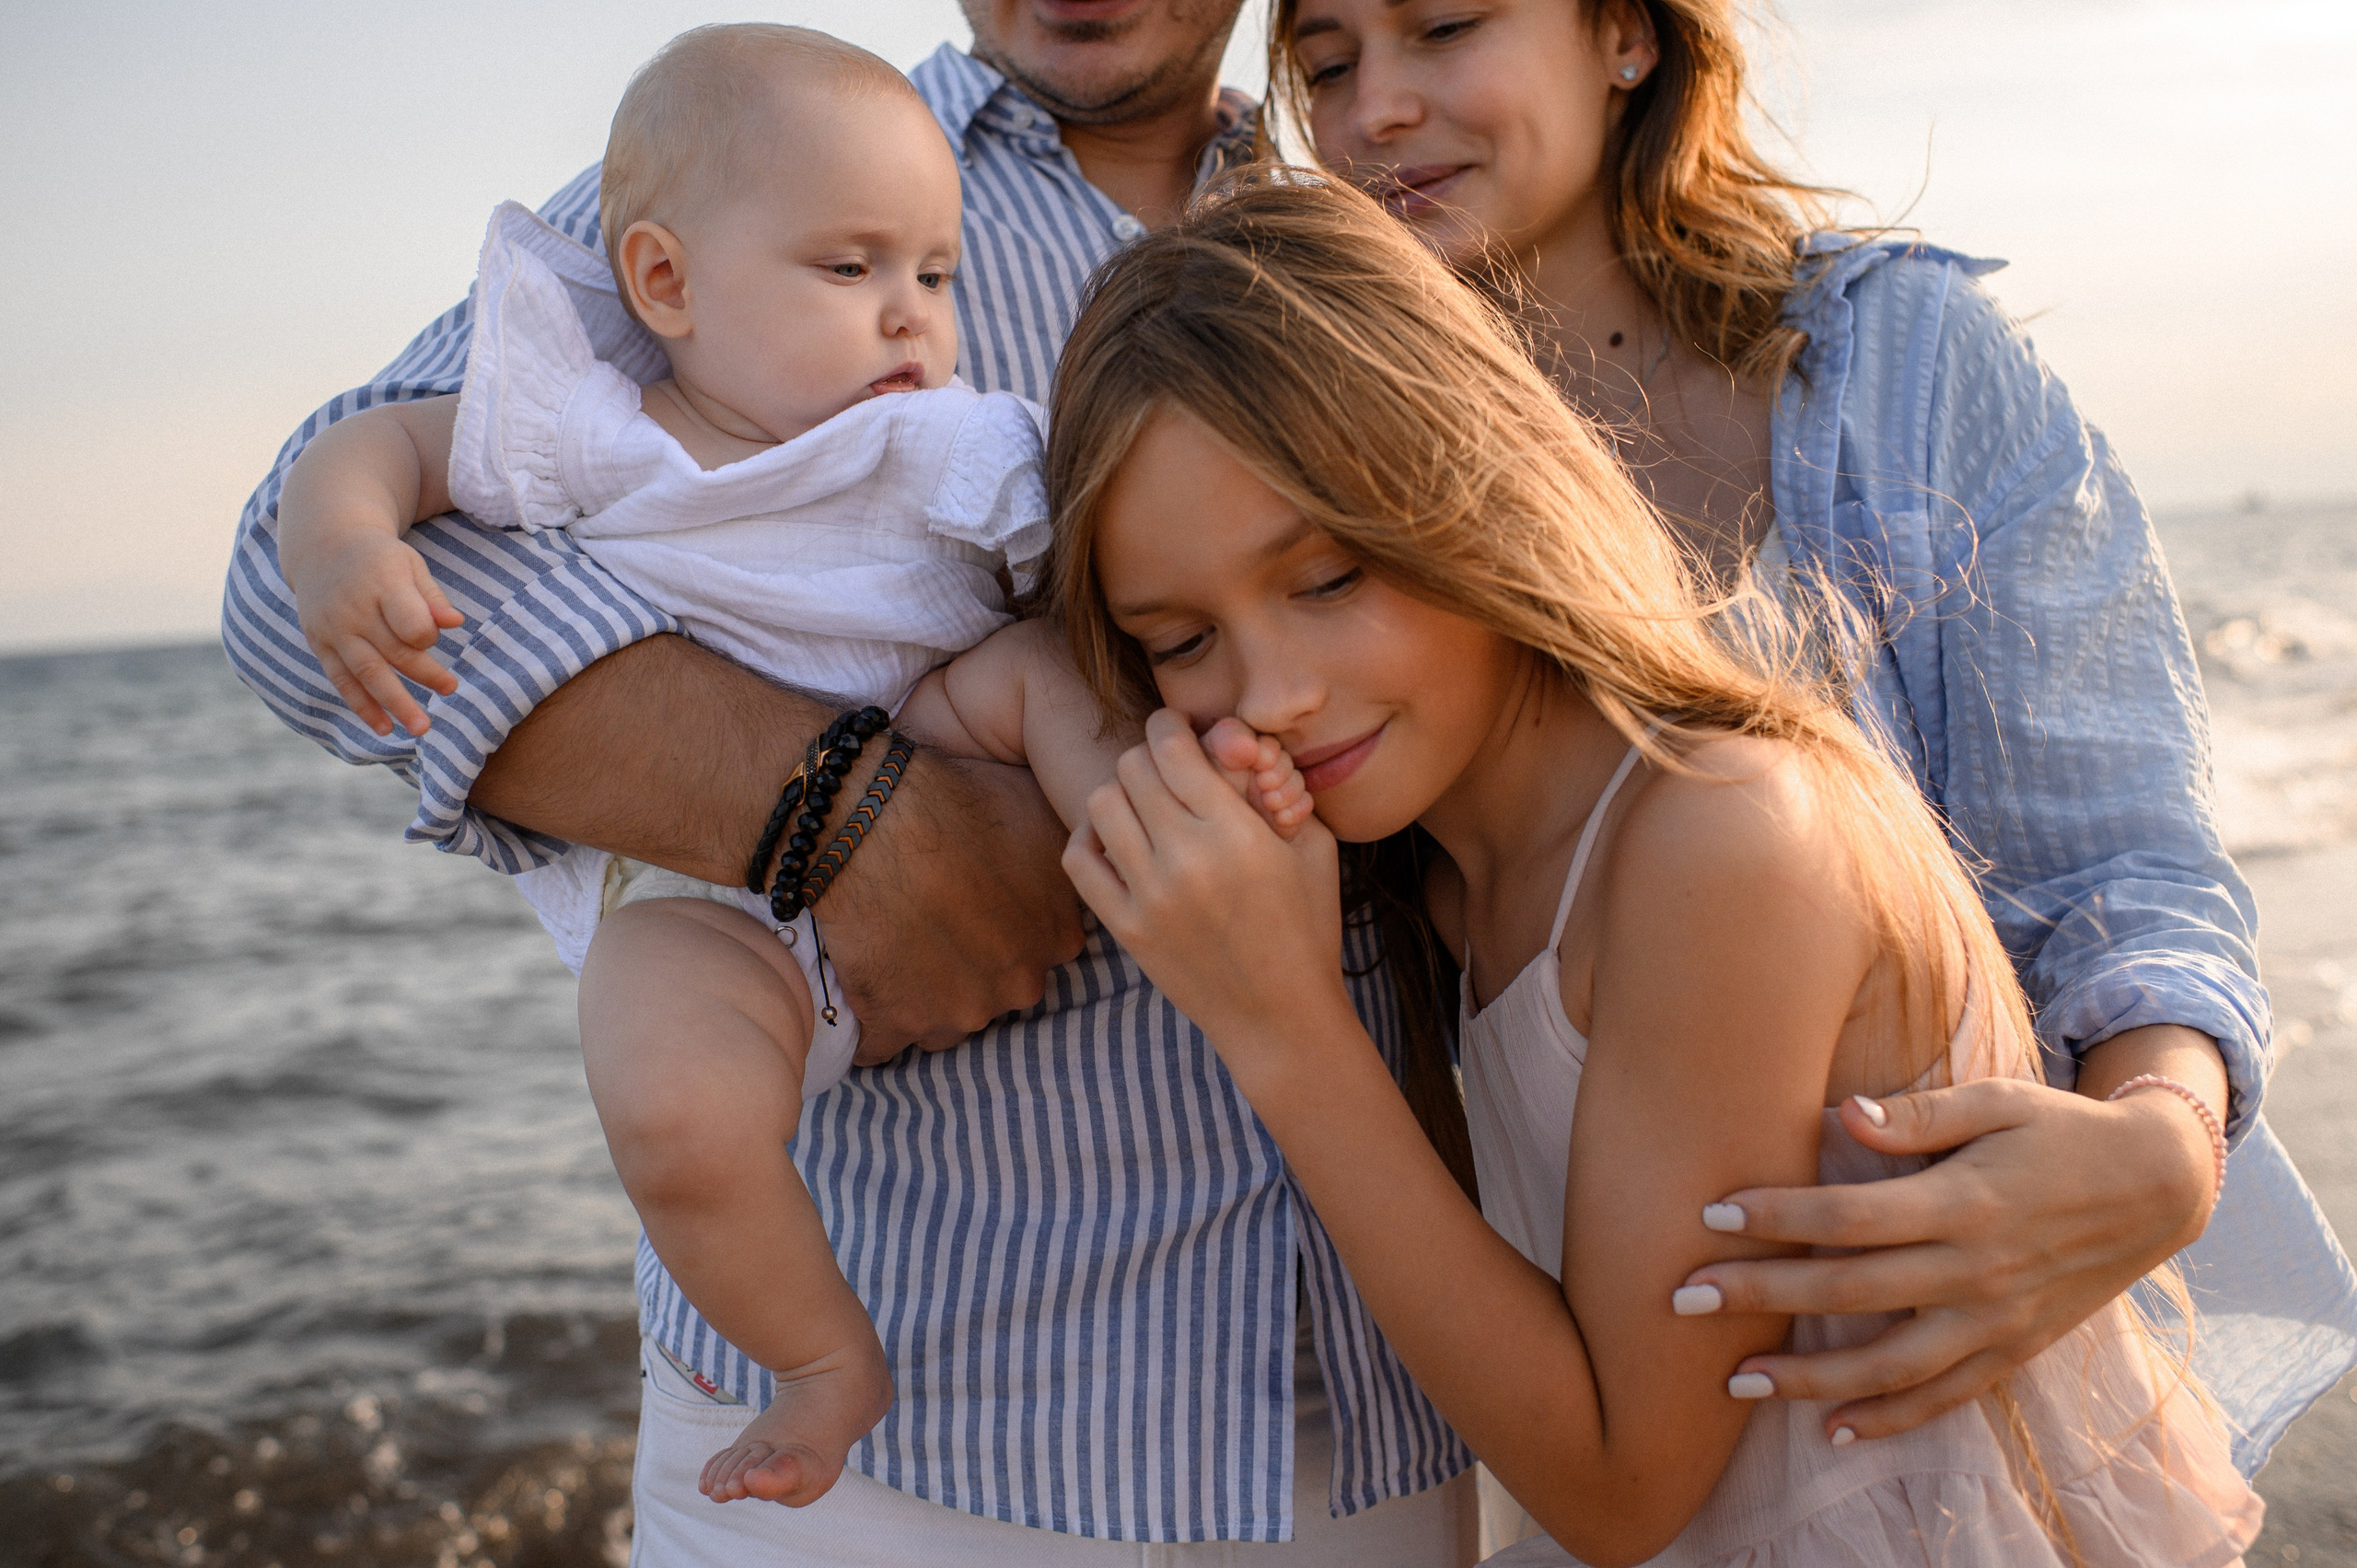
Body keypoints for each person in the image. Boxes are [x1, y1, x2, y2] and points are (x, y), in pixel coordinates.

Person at [216, 2, 2337, 1561]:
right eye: (1174, 638)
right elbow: (311, 573)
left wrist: (2161, 1134)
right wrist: (835, 815)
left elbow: (2089, 855)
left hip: (1399, 1439)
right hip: (937, 1418)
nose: (1260, 677)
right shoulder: (803, 170)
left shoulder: (1377, 257)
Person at [1051, 169, 2263, 1566]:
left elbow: (1624, 1488)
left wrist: (1279, 1023)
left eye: (1328, 580)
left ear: (1477, 480)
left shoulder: (1719, 834)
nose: (1265, 694)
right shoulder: (1446, 873)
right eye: (1178, 640)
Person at [1263, 0, 2357, 1492]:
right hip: (1600, 1395)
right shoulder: (1329, 449)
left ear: (1625, 37)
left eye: (1444, 27)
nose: (1375, 107)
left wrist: (2164, 1141)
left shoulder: (1902, 371)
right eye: (1326, 67)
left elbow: (2130, 860)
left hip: (1970, 1391)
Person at [272, 24, 1312, 1514]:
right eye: (851, 275)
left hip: (948, 721)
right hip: (702, 899)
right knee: (669, 1104)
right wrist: (346, 546)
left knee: (1037, 681)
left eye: (935, 281)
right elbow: (367, 464)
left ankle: (1189, 842)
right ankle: (824, 1363)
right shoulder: (601, 419)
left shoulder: (955, 440)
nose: (907, 319)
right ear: (665, 285)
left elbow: (1104, 598)